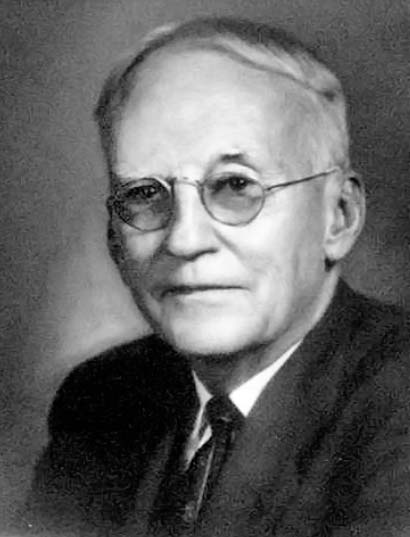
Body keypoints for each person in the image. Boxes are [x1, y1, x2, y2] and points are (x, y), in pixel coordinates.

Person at [22, 17, 410, 537]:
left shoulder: (396, 402)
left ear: (339, 216)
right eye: (144, 194)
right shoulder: (102, 399)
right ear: (114, 238)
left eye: (235, 185)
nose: (183, 240)